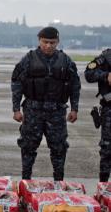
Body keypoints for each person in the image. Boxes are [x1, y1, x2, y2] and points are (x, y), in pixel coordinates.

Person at [11, 26, 80, 181]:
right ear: (39, 41)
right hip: (33, 110)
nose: (49, 46)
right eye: (45, 42)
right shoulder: (28, 59)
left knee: (59, 148)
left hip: (56, 111)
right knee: (28, 147)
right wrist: (16, 109)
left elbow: (75, 85)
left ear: (58, 42)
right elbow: (17, 84)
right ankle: (25, 181)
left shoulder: (66, 61)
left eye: (52, 42)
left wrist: (74, 108)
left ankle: (59, 182)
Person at [84, 48, 111, 182]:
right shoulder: (106, 57)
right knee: (107, 148)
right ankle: (103, 186)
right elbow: (89, 74)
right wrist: (106, 76)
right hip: (109, 109)